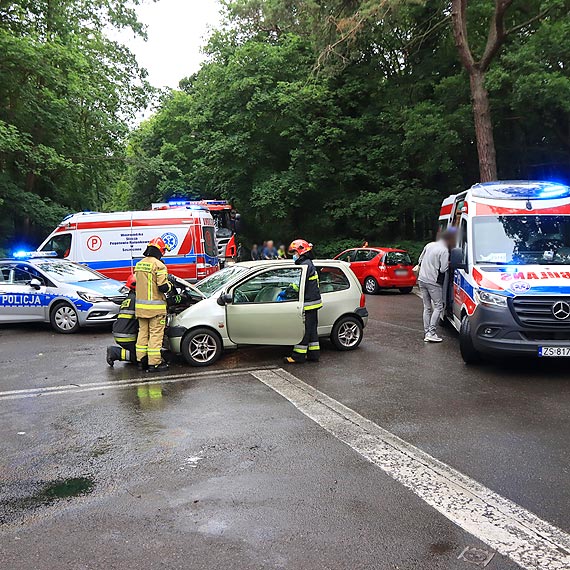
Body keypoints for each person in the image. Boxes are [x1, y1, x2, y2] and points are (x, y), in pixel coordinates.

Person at [134, 237, 173, 372]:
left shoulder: (139, 264)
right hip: (155, 310)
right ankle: (154, 364)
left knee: (142, 334)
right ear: (160, 251)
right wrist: (170, 285)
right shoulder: (159, 265)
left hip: (140, 308)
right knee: (155, 336)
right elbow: (163, 287)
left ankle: (141, 362)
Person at [284, 239, 322, 364]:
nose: (293, 255)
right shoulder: (308, 263)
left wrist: (287, 292)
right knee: (311, 329)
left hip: (308, 303)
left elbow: (298, 285)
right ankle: (313, 354)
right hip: (314, 302)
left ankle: (298, 356)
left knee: (303, 330)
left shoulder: (304, 265)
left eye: (294, 252)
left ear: (301, 251)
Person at [417, 230, 454, 342]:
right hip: (433, 282)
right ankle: (432, 333)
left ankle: (426, 331)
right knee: (438, 307)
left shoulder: (429, 245)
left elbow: (420, 260)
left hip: (422, 279)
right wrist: (448, 263)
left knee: (427, 307)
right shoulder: (444, 251)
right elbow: (443, 269)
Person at [106, 274, 138, 367]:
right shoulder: (137, 299)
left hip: (121, 332)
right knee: (144, 358)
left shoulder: (129, 298)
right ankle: (115, 352)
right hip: (127, 336)